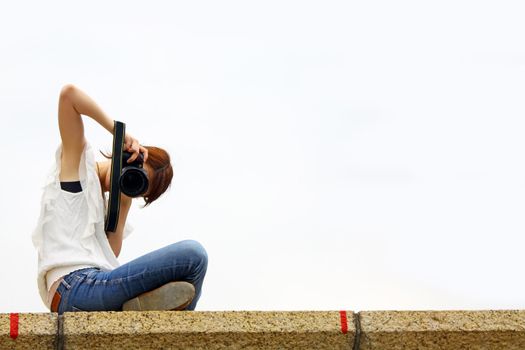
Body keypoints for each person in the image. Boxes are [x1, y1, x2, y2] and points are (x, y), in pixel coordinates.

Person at [32, 84, 208, 314]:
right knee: (194, 256)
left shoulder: (108, 204)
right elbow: (69, 96)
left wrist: (124, 201)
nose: (134, 182)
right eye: (138, 171)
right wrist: (118, 132)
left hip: (91, 287)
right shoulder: (77, 170)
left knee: (190, 275)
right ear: (128, 155)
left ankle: (152, 316)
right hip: (74, 287)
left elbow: (109, 254)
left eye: (141, 187)